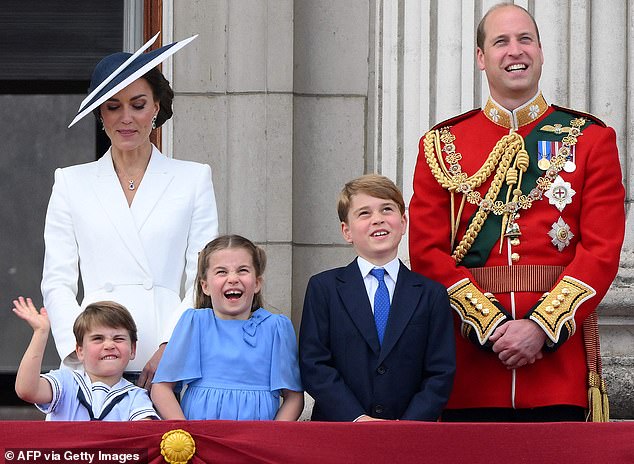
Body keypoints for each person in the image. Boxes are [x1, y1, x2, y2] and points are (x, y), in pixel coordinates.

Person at [409, 3, 625, 422]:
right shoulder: (442, 144)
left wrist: (541, 328)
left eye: (525, 39)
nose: (515, 51)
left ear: (541, 52)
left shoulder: (590, 140)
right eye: (501, 41)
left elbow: (601, 251)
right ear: (480, 57)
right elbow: (427, 253)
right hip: (470, 372)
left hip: (556, 369)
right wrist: (490, 328)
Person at [40, 33, 218, 389]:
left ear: (156, 108)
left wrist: (172, 344)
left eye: (138, 105)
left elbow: (203, 277)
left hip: (167, 359)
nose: (126, 118)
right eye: (113, 105)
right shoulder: (70, 183)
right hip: (92, 359)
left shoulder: (193, 178)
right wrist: (81, 349)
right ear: (98, 113)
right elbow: (57, 282)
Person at [299, 174, 455, 421]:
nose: (378, 219)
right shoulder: (324, 288)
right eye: (364, 213)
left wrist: (407, 425)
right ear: (346, 231)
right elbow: (314, 364)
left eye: (387, 209)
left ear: (403, 223)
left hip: (408, 435)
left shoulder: (431, 294)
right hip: (339, 430)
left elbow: (440, 371)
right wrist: (357, 418)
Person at [151, 235, 304, 420]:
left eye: (242, 270)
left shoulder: (276, 328)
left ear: (257, 283)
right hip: (201, 439)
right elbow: (161, 387)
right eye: (222, 272)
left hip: (255, 441)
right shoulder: (195, 323)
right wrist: (184, 432)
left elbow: (293, 397)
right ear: (205, 286)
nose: (233, 278)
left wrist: (271, 439)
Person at [13, 297, 159, 421]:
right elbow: (27, 390)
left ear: (132, 349)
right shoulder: (65, 382)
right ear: (80, 351)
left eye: (118, 338)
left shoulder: (136, 397)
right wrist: (41, 332)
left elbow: (143, 437)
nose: (109, 345)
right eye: (98, 339)